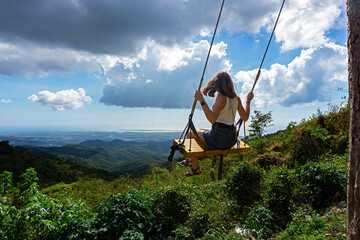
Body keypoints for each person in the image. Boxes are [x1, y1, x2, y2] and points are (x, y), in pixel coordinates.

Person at [182, 71, 254, 176]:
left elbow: (212, 119)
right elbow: (245, 117)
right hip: (231, 138)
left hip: (219, 139)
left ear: (218, 84)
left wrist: (202, 101)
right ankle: (190, 160)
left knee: (190, 134)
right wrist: (248, 100)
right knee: (201, 129)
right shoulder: (236, 98)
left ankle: (195, 168)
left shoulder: (221, 97)